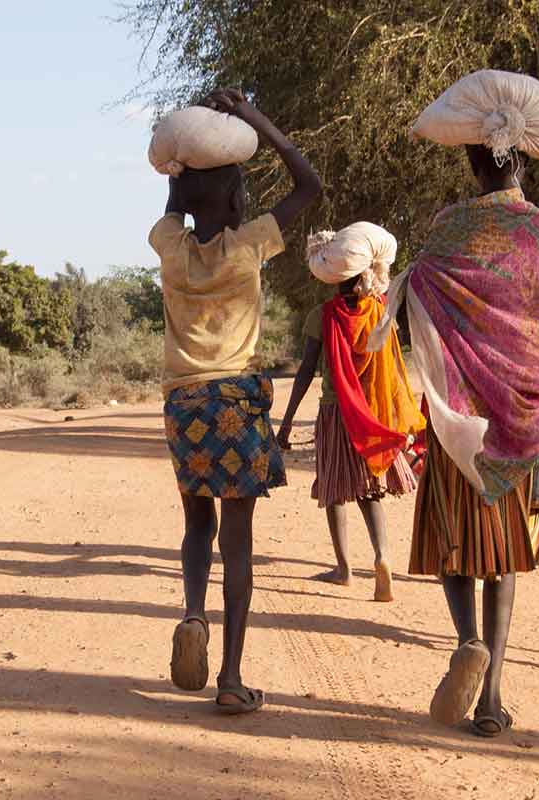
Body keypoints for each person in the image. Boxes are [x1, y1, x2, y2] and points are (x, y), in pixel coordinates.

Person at [375, 140, 539, 736]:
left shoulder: (450, 226)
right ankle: (492, 695)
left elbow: (421, 295)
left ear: (473, 164)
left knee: (455, 542)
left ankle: (467, 640)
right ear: (522, 162)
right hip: (518, 422)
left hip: (458, 420)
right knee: (504, 556)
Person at [153, 88, 321, 714]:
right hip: (236, 403)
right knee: (239, 540)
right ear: (237, 199)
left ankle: (193, 614)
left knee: (197, 519)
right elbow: (310, 184)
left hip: (184, 403)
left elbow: (175, 201)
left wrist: (183, 150)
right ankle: (229, 677)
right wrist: (255, 119)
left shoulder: (170, 246)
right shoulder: (250, 244)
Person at [277, 231, 423, 602]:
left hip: (335, 413)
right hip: (371, 414)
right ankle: (382, 557)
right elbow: (393, 368)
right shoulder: (379, 312)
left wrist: (288, 421)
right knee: (370, 489)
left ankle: (343, 568)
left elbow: (306, 371)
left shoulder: (321, 316)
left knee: (334, 490)